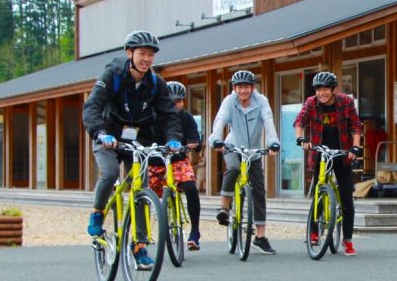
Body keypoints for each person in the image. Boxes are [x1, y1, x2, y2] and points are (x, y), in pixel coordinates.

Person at [82, 30, 183, 270]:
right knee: (109, 174)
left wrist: (173, 139)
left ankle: (139, 245)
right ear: (130, 53)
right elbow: (92, 106)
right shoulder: (113, 75)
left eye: (151, 55)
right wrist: (99, 133)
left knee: (141, 188)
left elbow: (170, 115)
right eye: (142, 54)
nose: (146, 59)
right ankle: (98, 211)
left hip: (138, 140)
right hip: (108, 136)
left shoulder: (156, 83)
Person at [209, 70, 280, 254]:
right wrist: (216, 139)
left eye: (246, 87)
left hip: (253, 152)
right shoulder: (229, 101)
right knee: (232, 168)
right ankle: (224, 207)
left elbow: (269, 121)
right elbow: (220, 120)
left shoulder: (261, 101)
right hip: (233, 146)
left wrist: (273, 142)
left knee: (259, 191)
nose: (243, 91)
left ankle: (261, 237)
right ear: (234, 88)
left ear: (252, 88)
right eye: (239, 87)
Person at [293, 71, 363, 256]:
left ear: (333, 89)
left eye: (325, 89)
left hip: (342, 152)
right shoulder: (311, 103)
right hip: (319, 152)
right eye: (319, 90)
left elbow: (356, 126)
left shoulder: (346, 102)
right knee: (318, 189)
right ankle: (314, 231)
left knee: (347, 198)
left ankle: (347, 240)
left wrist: (355, 148)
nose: (322, 93)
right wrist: (301, 139)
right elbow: (299, 121)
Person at [149, 81, 203, 250]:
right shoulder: (152, 116)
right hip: (155, 162)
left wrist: (194, 143)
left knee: (191, 188)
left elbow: (195, 139)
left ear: (183, 102)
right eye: (171, 101)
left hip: (177, 161)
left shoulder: (186, 118)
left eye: (179, 101)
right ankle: (141, 235)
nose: (175, 105)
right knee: (141, 194)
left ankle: (195, 231)